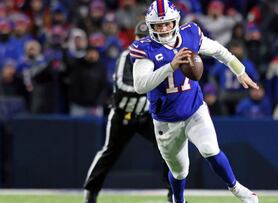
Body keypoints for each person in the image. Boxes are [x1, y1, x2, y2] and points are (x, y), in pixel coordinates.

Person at [130, 1, 259, 203]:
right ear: (150, 26)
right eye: (158, 25)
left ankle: (236, 188)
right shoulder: (145, 48)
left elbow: (218, 50)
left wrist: (240, 70)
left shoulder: (190, 34)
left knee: (210, 149)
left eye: (167, 24)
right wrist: (171, 66)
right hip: (166, 119)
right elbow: (140, 85)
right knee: (180, 171)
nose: (163, 28)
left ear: (176, 22)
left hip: (194, 109)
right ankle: (178, 200)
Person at [83, 21, 172, 203]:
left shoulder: (160, 56)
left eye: (146, 38)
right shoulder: (126, 56)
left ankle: (174, 194)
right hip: (123, 114)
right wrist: (149, 87)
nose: (143, 41)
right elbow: (122, 85)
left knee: (169, 150)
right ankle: (90, 193)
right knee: (109, 153)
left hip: (147, 115)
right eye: (140, 38)